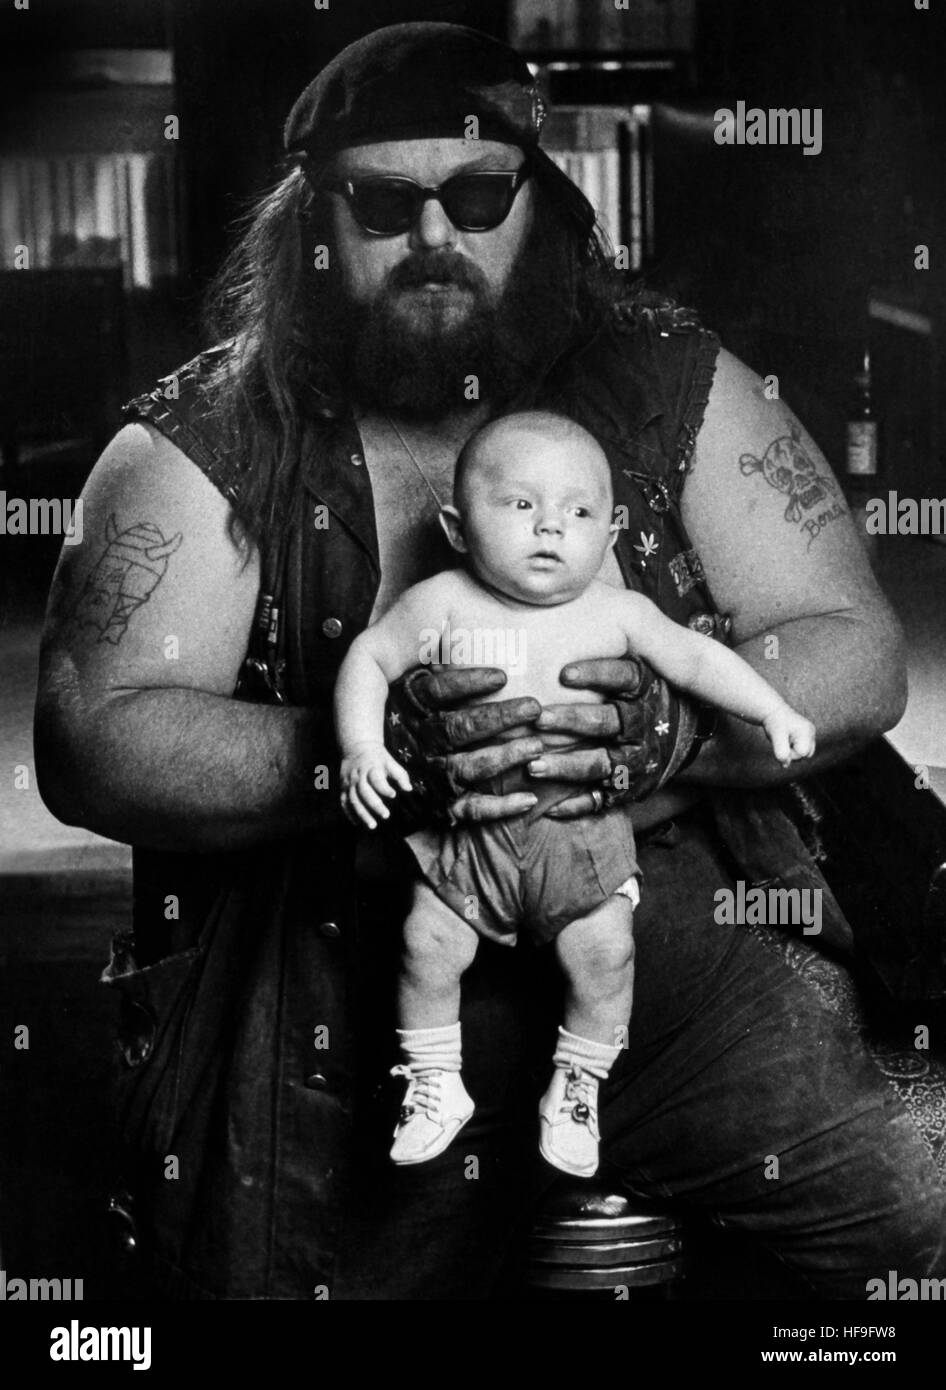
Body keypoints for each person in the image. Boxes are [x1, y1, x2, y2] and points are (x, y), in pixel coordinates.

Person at [33, 22, 944, 1299]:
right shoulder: (205, 440)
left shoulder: (669, 381)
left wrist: (670, 728)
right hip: (345, 977)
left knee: (913, 1232)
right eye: (381, 203)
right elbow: (91, 737)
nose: (432, 240)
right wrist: (372, 752)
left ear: (540, 204)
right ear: (312, 224)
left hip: (668, 941)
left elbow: (857, 647)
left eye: (473, 194)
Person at [336, 410, 816, 1176]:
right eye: (521, 505)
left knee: (607, 955)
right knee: (425, 947)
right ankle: (433, 1082)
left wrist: (773, 710)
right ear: (458, 529)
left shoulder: (618, 613)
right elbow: (367, 657)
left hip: (581, 834)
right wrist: (362, 747)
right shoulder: (441, 604)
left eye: (579, 512)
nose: (551, 528)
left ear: (614, 529)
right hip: (472, 837)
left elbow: (697, 659)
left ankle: (580, 1084)